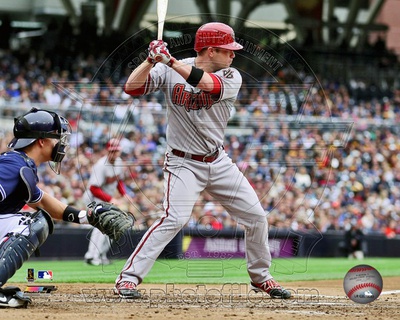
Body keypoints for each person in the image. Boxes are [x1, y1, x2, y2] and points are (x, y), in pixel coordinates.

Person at [114, 22, 291, 299]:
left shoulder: (231, 75)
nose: (233, 55)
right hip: (183, 162)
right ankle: (128, 279)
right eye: (228, 50)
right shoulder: (170, 68)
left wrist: (168, 60)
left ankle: (261, 277)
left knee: (256, 217)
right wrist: (150, 60)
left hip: (218, 161)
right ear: (210, 50)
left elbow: (208, 85)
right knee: (173, 218)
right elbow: (132, 88)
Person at [0, 108, 129, 308]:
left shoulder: (20, 163)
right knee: (33, 224)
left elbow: (42, 201)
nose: (60, 144)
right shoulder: (12, 165)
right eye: (56, 138)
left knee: (36, 217)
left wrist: (87, 216)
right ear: (41, 141)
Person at [84, 138, 129, 265]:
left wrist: (124, 194)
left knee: (113, 227)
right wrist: (112, 199)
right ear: (108, 151)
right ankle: (92, 256)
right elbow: (93, 188)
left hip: (107, 198)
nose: (115, 154)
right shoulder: (100, 165)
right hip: (94, 198)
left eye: (117, 151)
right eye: (112, 151)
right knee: (101, 226)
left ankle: (101, 255)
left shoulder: (119, 162)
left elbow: (118, 180)